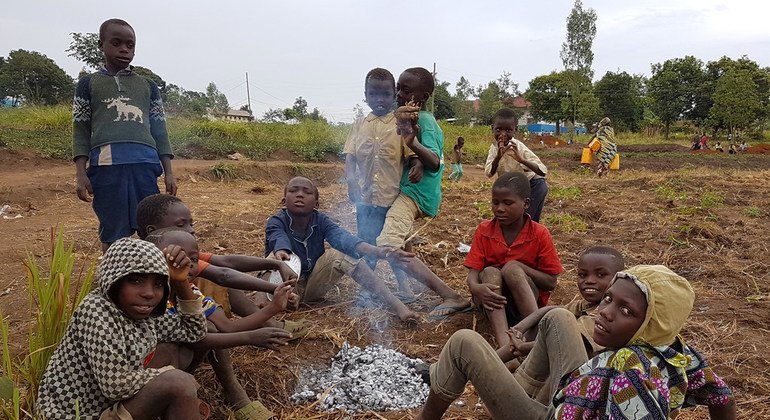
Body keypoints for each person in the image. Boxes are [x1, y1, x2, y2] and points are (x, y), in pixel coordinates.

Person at [416, 265, 736, 419]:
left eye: (625, 310)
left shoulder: (635, 375)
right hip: (575, 395)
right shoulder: (677, 349)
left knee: (463, 343)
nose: (606, 313)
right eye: (609, 300)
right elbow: (722, 397)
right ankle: (522, 390)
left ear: (650, 324)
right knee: (559, 319)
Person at [37, 238, 207, 419]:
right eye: (135, 281)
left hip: (107, 401)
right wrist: (173, 377)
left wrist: (181, 282)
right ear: (114, 280)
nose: (149, 293)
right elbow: (116, 386)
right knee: (178, 382)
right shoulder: (96, 311)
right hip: (78, 414)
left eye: (158, 284)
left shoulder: (140, 312)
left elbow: (193, 331)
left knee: (176, 352)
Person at [146, 228, 290, 420]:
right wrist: (249, 338)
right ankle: (165, 401)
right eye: (177, 257)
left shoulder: (192, 292)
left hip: (177, 364)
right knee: (185, 341)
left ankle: (179, 394)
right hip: (143, 373)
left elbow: (228, 327)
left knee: (211, 327)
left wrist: (273, 308)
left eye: (194, 259)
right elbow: (198, 338)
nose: (187, 265)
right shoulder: (149, 298)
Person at [135, 193, 306, 338]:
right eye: (180, 225)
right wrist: (274, 290)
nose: (191, 230)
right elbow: (223, 274)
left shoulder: (183, 256)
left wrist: (275, 265)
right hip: (160, 332)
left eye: (191, 224)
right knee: (218, 282)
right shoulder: (145, 262)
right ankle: (267, 324)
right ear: (152, 230)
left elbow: (226, 262)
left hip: (182, 317)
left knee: (219, 279)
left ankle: (265, 323)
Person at [72, 19, 177, 252]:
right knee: (113, 229)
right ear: (101, 45)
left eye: (130, 45)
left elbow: (160, 129)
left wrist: (169, 172)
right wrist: (80, 173)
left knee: (153, 226)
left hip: (145, 164)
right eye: (117, 43)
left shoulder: (148, 86)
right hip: (107, 167)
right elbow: (80, 128)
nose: (124, 50)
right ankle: (115, 282)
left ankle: (155, 280)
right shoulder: (88, 84)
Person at [377, 67, 471, 320]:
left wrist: (414, 146)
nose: (398, 94)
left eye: (406, 90)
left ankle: (450, 295)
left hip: (415, 196)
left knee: (388, 245)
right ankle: (405, 289)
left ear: (423, 96)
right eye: (398, 87)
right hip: (411, 191)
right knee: (403, 241)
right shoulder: (412, 119)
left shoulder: (426, 121)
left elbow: (435, 160)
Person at [265, 176, 420, 322]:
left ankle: (396, 304)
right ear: (284, 201)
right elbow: (278, 236)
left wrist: (378, 251)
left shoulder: (321, 221)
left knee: (340, 254)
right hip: (282, 288)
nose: (300, 195)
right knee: (272, 258)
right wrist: (281, 250)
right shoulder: (276, 221)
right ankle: (262, 304)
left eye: (307, 192)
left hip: (313, 286)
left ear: (316, 204)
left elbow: (345, 239)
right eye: (294, 191)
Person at [465, 172, 563, 347]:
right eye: (495, 203)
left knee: (512, 269)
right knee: (490, 272)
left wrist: (519, 267)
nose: (500, 208)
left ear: (525, 204)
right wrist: (476, 287)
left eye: (508, 203)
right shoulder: (484, 230)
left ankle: (536, 335)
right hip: (491, 301)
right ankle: (505, 346)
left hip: (525, 304)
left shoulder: (539, 233)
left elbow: (551, 282)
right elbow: (474, 272)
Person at [342, 68, 417, 297]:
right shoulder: (359, 124)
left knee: (395, 246)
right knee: (367, 244)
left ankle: (406, 288)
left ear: (394, 95)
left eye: (385, 94)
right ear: (365, 95)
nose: (379, 100)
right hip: (365, 199)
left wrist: (417, 171)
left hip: (391, 199)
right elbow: (350, 157)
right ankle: (369, 291)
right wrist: (351, 183)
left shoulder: (400, 125)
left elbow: (412, 156)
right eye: (373, 94)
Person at [497, 246, 624, 376]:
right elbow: (551, 310)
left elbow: (565, 342)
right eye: (582, 275)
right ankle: (497, 362)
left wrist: (523, 347)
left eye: (601, 275)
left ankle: (515, 376)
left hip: (584, 376)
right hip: (563, 363)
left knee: (551, 331)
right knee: (545, 321)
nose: (589, 281)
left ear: (619, 278)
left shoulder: (607, 312)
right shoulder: (587, 304)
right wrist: (519, 328)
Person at [485, 108, 549, 222]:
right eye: (498, 130)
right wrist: (498, 157)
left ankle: (531, 236)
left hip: (534, 185)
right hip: (515, 189)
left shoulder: (518, 147)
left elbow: (542, 170)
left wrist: (521, 159)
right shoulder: (494, 149)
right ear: (492, 129)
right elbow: (489, 173)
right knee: (515, 218)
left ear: (515, 130)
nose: (503, 135)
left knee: (525, 220)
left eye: (508, 130)